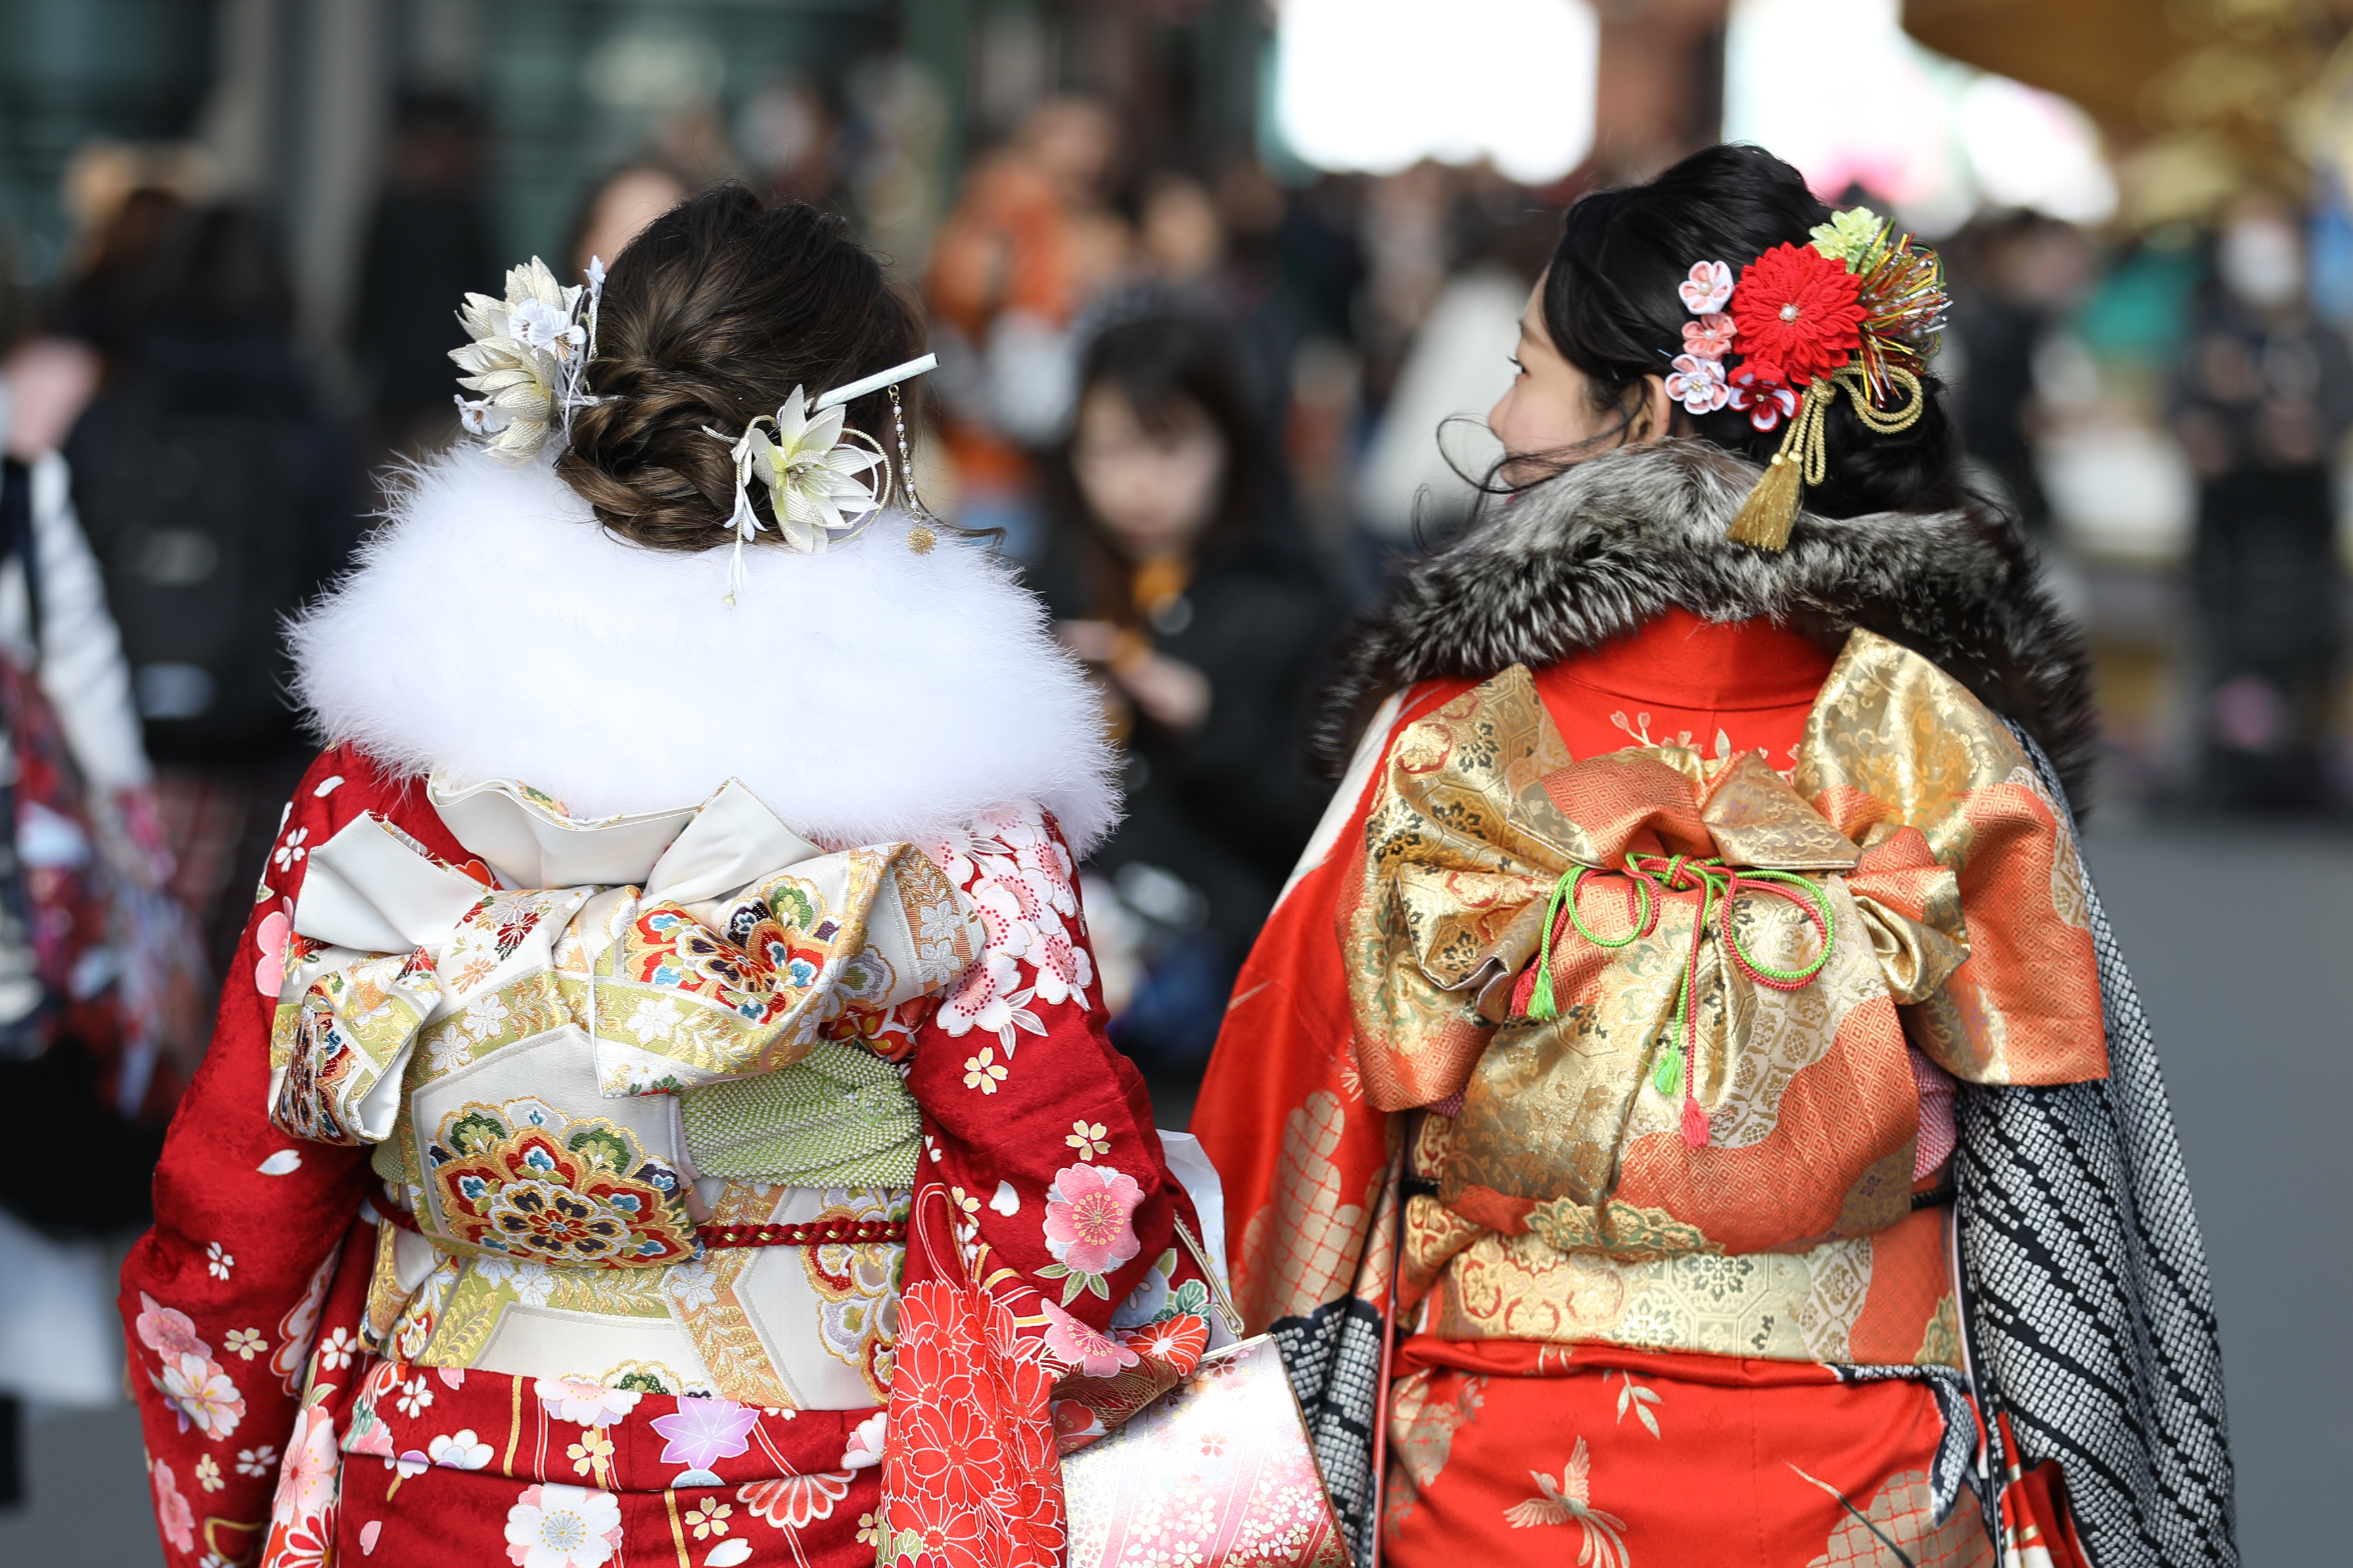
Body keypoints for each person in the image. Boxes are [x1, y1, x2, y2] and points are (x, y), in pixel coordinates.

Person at [121, 188, 1224, 1568]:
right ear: (870, 446)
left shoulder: (383, 775)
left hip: (435, 1486)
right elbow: (1068, 1196)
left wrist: (223, 1504)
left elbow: (239, 1208)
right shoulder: (950, 804)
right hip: (818, 1495)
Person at [1190, 145, 2234, 1568]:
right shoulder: (1933, 733)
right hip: (1864, 1484)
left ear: (1631, 412)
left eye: (1525, 367)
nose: (1495, 412)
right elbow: (2065, 1166)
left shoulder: (1457, 738)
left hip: (1499, 1479)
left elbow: (1292, 1122)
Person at [1035, 312, 1338, 1074]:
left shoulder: (1295, 607)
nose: (1136, 482)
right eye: (1105, 451)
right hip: (1054, 986)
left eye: (1169, 447)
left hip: (1218, 1005)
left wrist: (1200, 716)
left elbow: (1323, 824)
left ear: (1231, 445)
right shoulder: (1041, 594)